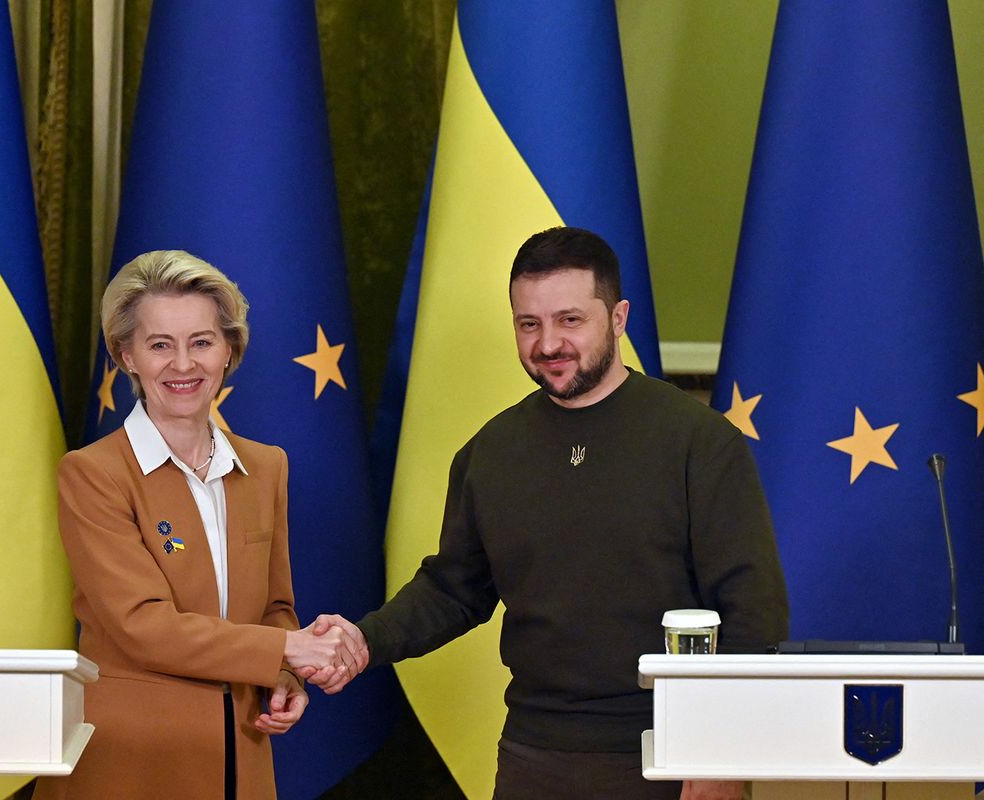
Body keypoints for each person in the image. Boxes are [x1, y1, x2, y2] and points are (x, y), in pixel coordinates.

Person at [303, 227, 789, 800]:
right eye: (528, 324)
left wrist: (719, 758)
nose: (548, 343)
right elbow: (453, 590)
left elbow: (753, 614)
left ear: (619, 317)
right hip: (533, 757)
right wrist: (362, 640)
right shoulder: (489, 452)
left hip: (673, 756)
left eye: (570, 320)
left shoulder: (699, 443)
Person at [34, 251, 356, 800]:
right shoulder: (92, 473)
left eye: (201, 342)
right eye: (160, 345)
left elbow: (276, 609)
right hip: (131, 763)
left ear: (229, 350)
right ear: (126, 355)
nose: (183, 365)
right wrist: (287, 652)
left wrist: (285, 678)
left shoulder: (267, 466)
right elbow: (142, 625)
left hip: (243, 759)